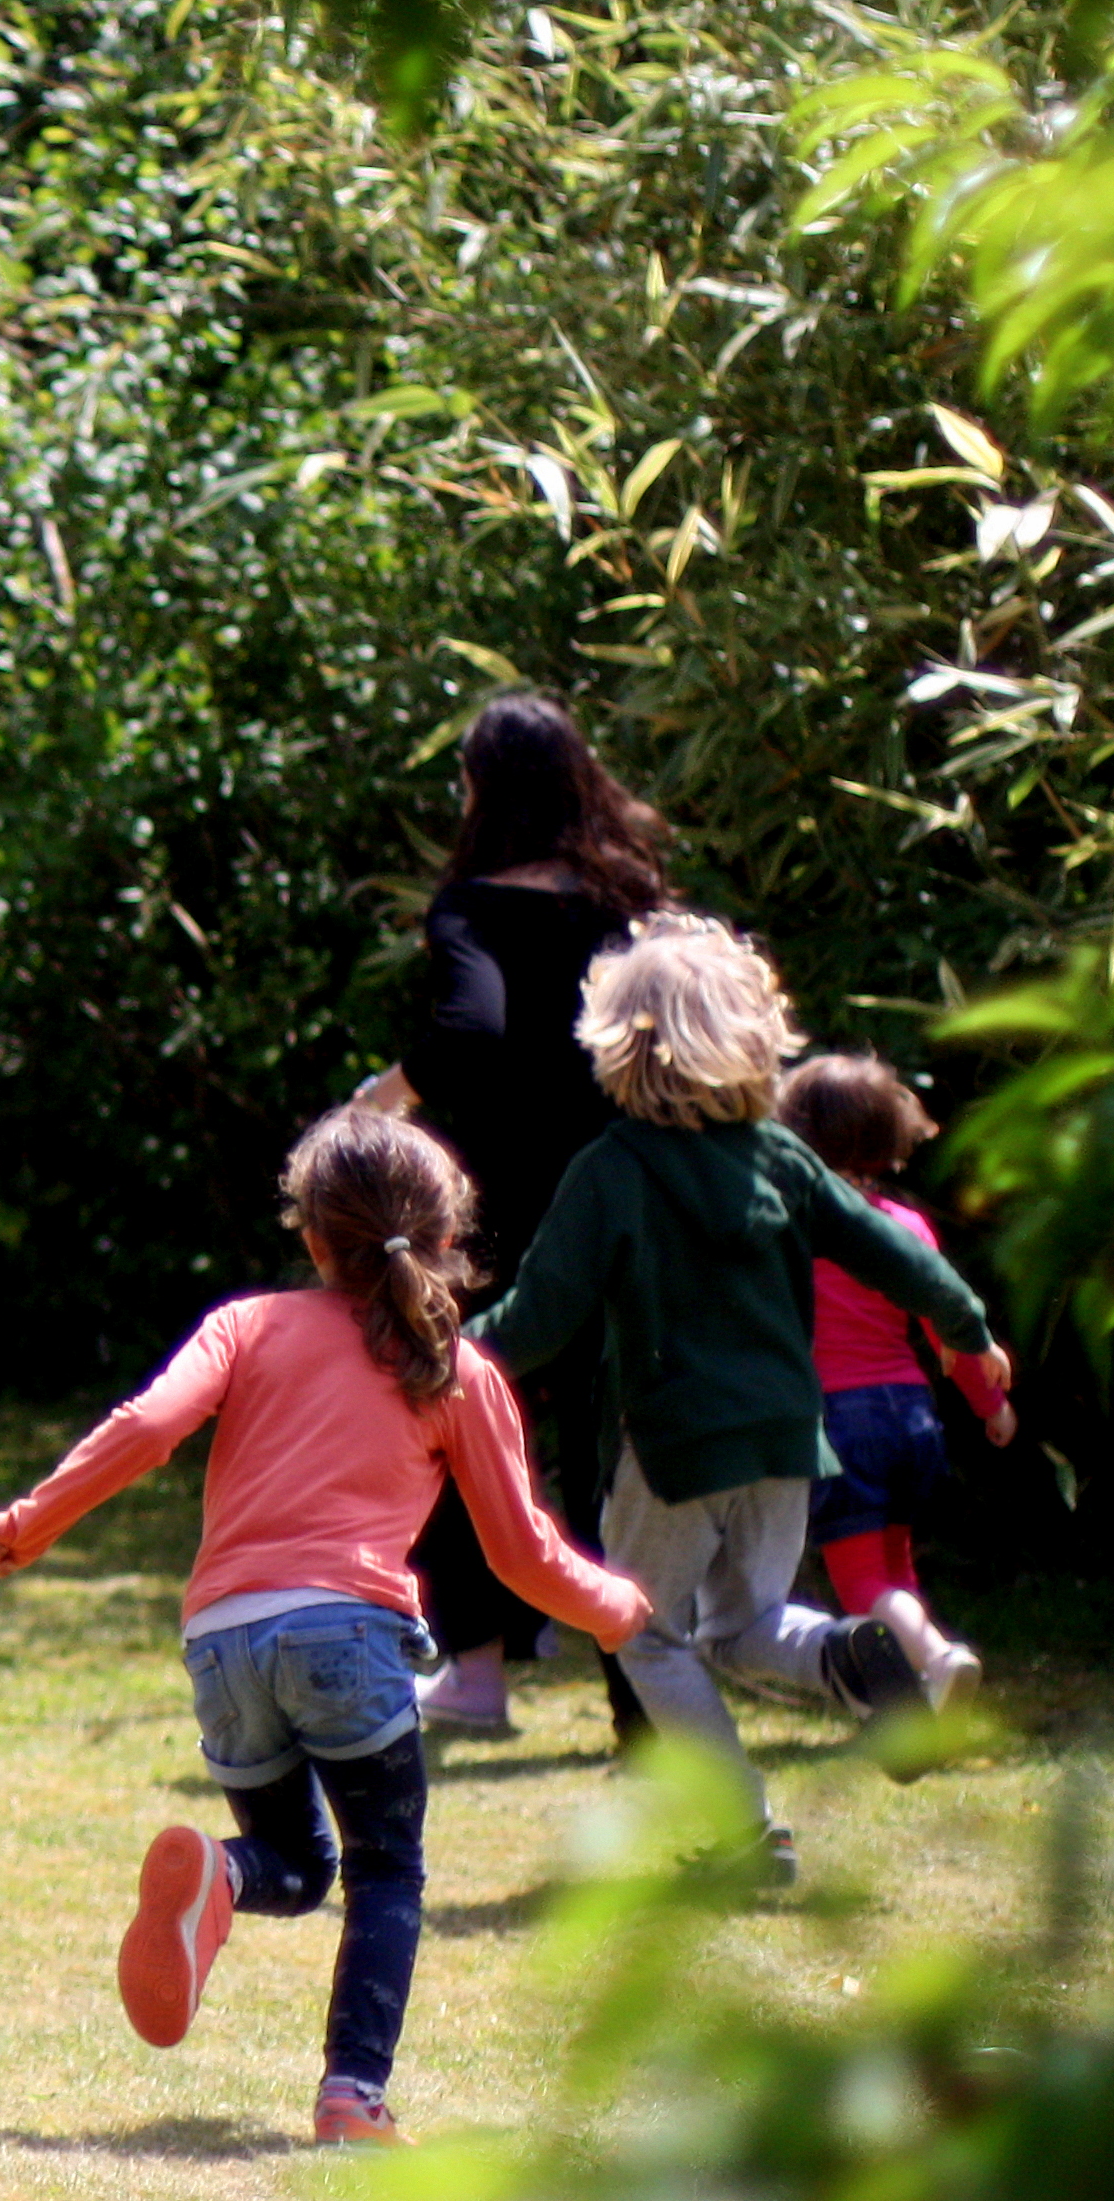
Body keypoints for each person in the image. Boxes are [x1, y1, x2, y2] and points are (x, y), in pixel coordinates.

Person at [0, 1110, 649, 2147]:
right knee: (386, 1867)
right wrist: (612, 1607)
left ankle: (225, 1871)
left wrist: (31, 1523)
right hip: (348, 1636)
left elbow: (148, 1426)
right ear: (441, 1234)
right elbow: (519, 1556)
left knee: (293, 1857)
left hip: (221, 1637)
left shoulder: (247, 1324)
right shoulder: (454, 1367)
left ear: (312, 1235)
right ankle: (351, 2098)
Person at [470, 917, 1016, 1883]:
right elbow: (903, 1259)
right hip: (787, 1439)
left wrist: (439, 1360)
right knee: (741, 1626)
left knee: (639, 1630)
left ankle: (745, 1836)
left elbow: (535, 1319)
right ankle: (851, 1650)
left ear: (620, 1043)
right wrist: (971, 1331)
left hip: (674, 1445)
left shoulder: (614, 1170)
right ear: (752, 1039)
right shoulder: (781, 1156)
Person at [357, 690, 671, 1739]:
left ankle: (477, 1669)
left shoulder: (472, 906)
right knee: (602, 1452)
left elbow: (470, 1032)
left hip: (498, 1212)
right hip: (623, 1191)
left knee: (449, 1411)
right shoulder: (625, 897)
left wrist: (383, 1095)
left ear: (480, 787)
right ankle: (640, 1702)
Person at [774, 1052, 1015, 1702]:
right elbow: (950, 1326)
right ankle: (922, 1685)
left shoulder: (792, 1227)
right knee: (893, 1565)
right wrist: (989, 1403)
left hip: (839, 1422)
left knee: (859, 1582)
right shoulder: (905, 1226)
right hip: (911, 1417)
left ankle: (935, 1657)